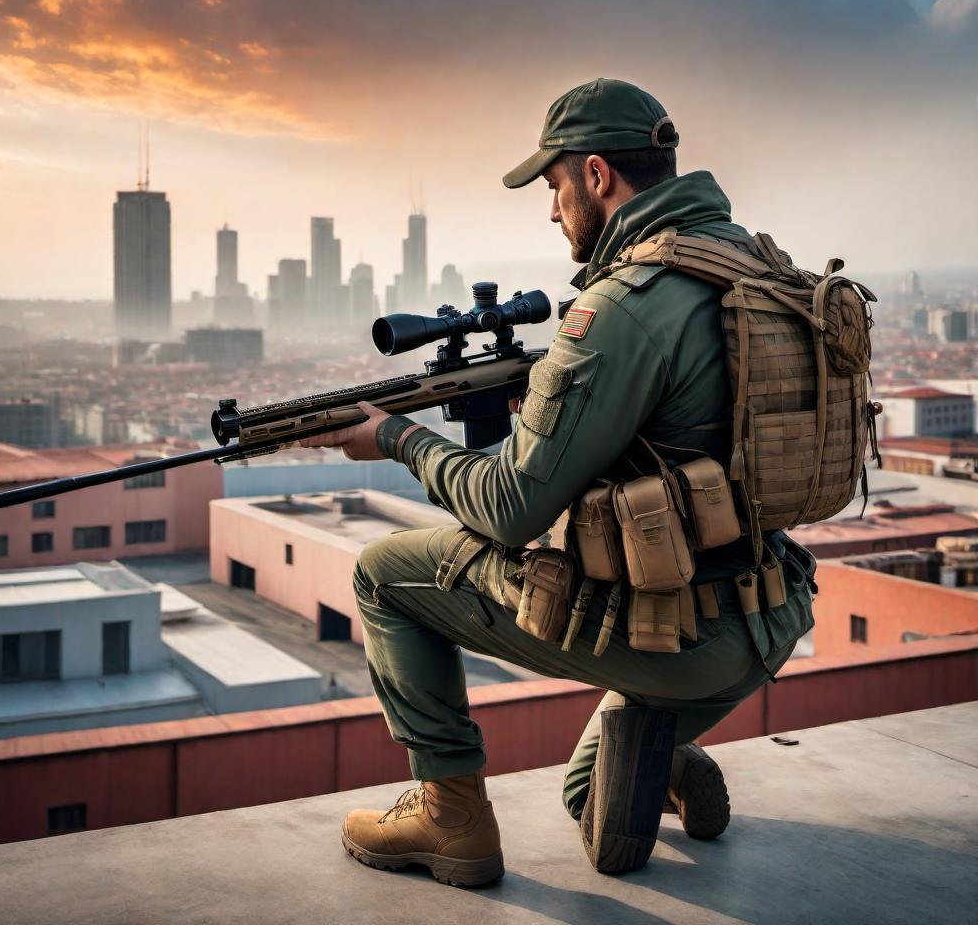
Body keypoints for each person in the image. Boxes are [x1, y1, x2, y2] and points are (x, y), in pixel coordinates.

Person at [301, 78, 817, 886]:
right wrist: (550, 404)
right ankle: (671, 761)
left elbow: (510, 511)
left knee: (382, 576)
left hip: (680, 642)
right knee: (587, 795)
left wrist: (397, 439)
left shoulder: (622, 308)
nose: (551, 209)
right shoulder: (749, 264)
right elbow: (690, 431)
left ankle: (451, 819)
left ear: (598, 176)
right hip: (773, 613)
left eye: (554, 185)